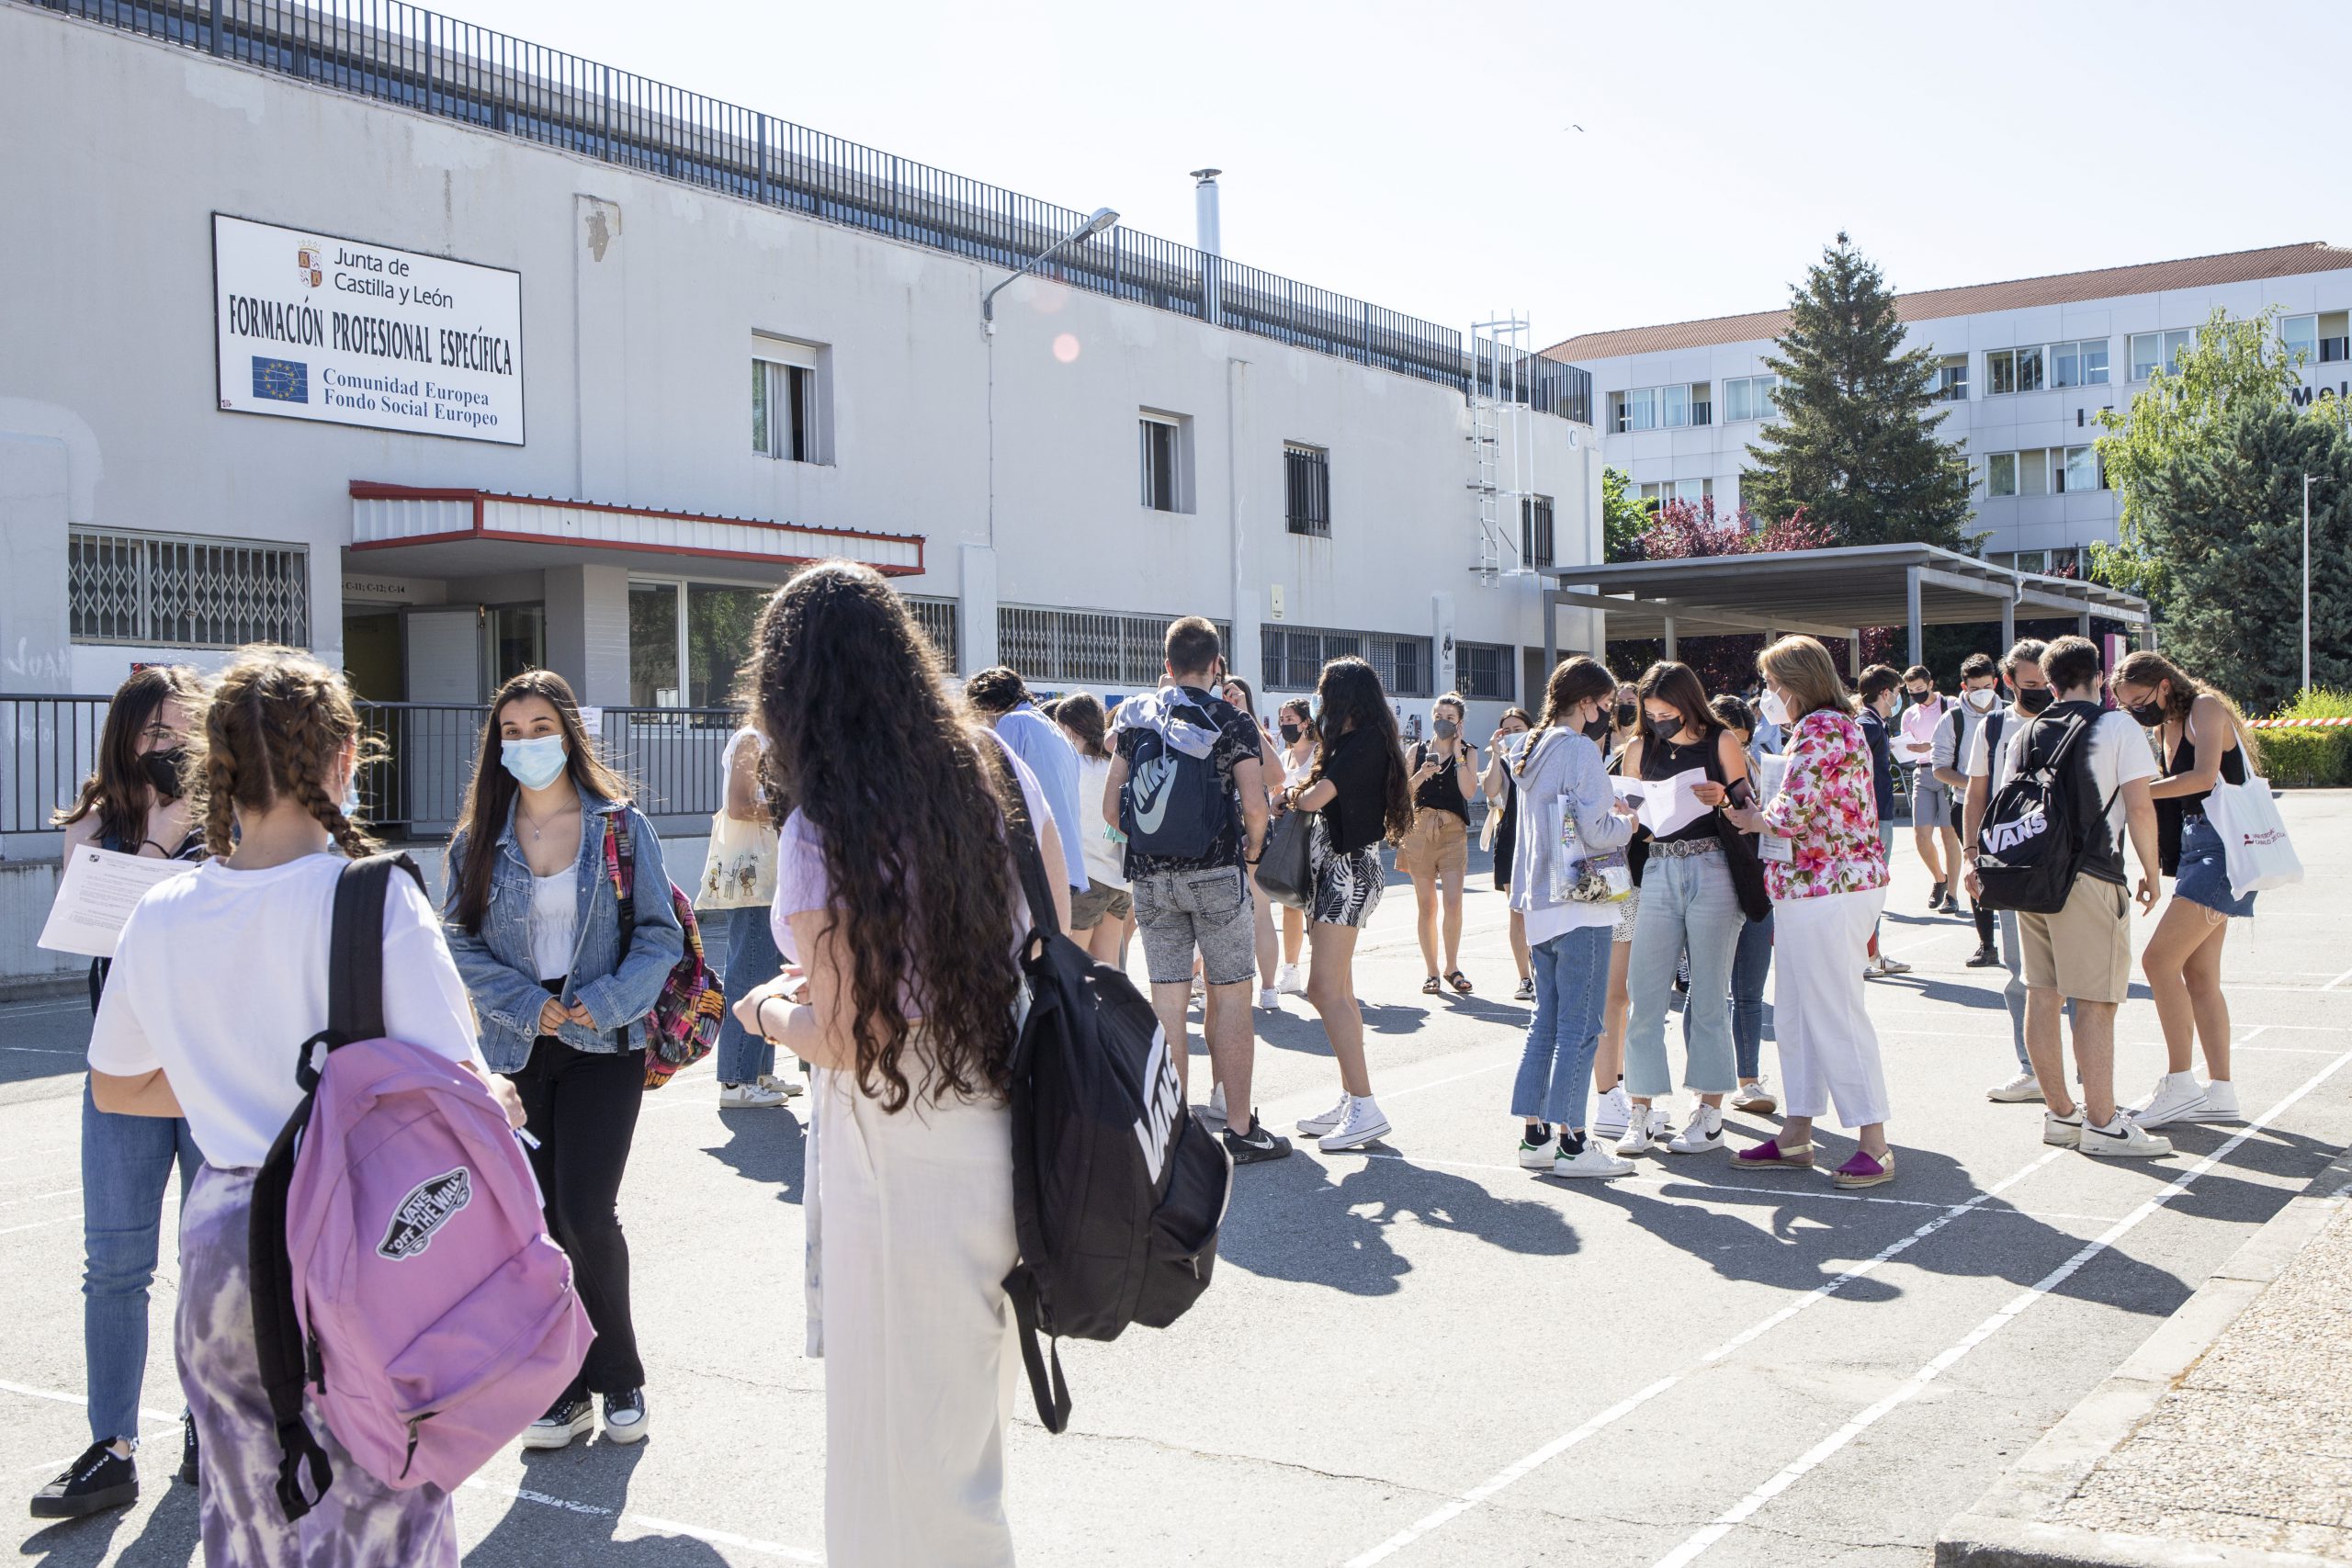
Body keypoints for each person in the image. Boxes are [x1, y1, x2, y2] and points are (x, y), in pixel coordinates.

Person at [85, 646, 523, 1564]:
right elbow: (456, 1090)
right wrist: (500, 1099)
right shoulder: (373, 901)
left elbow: (115, 1084)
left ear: (217, 766)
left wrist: (222, 1083)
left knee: (247, 1512)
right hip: (356, 1237)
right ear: (344, 757)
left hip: (224, 1247)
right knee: (384, 1511)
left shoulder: (158, 913)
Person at [725, 563, 1069, 1568]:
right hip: (1007, 1125)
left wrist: (768, 1007)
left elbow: (847, 1035)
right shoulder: (997, 774)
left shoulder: (825, 827)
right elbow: (1054, 938)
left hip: (894, 1150)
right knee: (961, 1447)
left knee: (893, 1469)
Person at [444, 669, 684, 1450]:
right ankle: (565, 1385)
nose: (526, 744)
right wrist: (522, 1001)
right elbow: (459, 941)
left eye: (540, 727)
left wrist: (610, 1000)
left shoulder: (620, 827)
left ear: (569, 733)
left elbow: (659, 933)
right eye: (511, 733)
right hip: (518, 1046)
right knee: (539, 1223)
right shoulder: (478, 837)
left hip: (602, 1042)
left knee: (585, 1211)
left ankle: (620, 1376)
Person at [34, 666, 207, 1520]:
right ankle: (111, 1446)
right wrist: (159, 842)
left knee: (212, 1262)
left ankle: (207, 1429)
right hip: (125, 1073)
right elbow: (109, 931)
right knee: (116, 1267)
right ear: (123, 737)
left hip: (214, 1072)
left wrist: (190, 832)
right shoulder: (95, 824)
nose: (167, 746)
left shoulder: (236, 818)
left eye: (182, 730)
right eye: (151, 732)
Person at [1964, 635, 2170, 1158]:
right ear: (2099, 678)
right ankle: (2103, 1122)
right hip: (2093, 875)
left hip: (2031, 879)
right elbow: (2140, 807)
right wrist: (2151, 870)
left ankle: (2061, 1115)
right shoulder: (2115, 724)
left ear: (2050, 684)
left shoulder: (2025, 731)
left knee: (2042, 992)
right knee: (2097, 1001)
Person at [1102, 618, 1285, 1163]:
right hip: (1215, 875)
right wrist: (1251, 851)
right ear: (1214, 665)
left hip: (1151, 881)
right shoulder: (1230, 718)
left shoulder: (1136, 719)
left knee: (1168, 1002)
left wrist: (1142, 846)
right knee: (1230, 995)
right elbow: (1256, 805)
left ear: (1166, 666)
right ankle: (1239, 1128)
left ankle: (1175, 1132)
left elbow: (1111, 808)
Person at [1725, 637, 1894, 1187]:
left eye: (1773, 685)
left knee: (1833, 1011)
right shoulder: (1831, 726)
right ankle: (1798, 1132)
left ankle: (1874, 1141)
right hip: (1815, 886)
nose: (1768, 695)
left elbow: (1791, 811)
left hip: (1829, 886)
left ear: (1796, 683)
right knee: (1797, 1013)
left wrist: (1746, 812)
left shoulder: (1822, 728)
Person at [2111, 650, 2261, 1128]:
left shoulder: (2206, 708)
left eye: (2139, 700)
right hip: (2200, 850)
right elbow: (2175, 805)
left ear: (2163, 685)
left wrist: (2135, 789)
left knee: (2158, 961)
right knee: (2200, 978)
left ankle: (2180, 1083)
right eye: (2127, 705)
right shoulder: (2167, 725)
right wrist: (2153, 866)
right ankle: (2222, 1092)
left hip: (2224, 852)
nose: (2136, 711)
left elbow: (2201, 778)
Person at [1616, 661, 1753, 1156]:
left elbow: (1748, 811)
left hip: (1714, 867)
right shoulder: (1637, 748)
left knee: (1710, 994)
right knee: (1644, 994)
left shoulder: (1722, 742)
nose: (1658, 723)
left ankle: (1710, 1113)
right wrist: (1626, 816)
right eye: (1650, 715)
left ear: (1688, 703)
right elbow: (1631, 816)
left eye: (1667, 713)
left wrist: (1721, 799)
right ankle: (1641, 1113)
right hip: (1657, 867)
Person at [1508, 661, 1639, 1178]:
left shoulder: (1530, 748)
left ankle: (1536, 1135)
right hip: (1581, 900)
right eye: (1605, 704)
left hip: (1540, 902)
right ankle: (1574, 1142)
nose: (1608, 713)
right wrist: (1627, 821)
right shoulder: (1581, 749)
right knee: (1582, 1027)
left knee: (1547, 1021)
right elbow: (1595, 826)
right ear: (1586, 702)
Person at [1283, 656, 1415, 1153]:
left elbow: (1316, 799)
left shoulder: (1363, 744)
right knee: (1340, 991)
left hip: (1347, 873)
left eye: (1322, 693)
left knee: (1323, 990)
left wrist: (1288, 797)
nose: (1318, 702)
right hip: (1338, 872)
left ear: (1341, 698)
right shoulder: (1359, 742)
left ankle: (1364, 1104)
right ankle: (1351, 1099)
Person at [1962, 639, 2053, 1102]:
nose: (2039, 690)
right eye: (2030, 683)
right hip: (2011, 864)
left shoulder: (2069, 719)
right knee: (2020, 972)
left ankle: (2076, 1072)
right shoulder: (1994, 727)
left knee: (2072, 977)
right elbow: (1977, 793)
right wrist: (1972, 853)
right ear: (2009, 680)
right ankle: (2031, 1068)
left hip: (2063, 864)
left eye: (2046, 682)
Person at [1687, 694, 1778, 1115]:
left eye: (1743, 742)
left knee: (1750, 992)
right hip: (1709, 886)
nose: (1737, 751)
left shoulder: (1761, 768)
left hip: (1756, 886)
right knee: (1706, 992)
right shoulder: (1691, 773)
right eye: (1731, 741)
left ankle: (1749, 1080)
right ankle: (1702, 1083)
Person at [707, 713, 797, 1109]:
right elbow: (740, 806)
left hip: (770, 874)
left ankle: (758, 1073)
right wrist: (795, 805)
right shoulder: (752, 738)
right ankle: (737, 1081)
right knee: (750, 971)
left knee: (769, 973)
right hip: (754, 875)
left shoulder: (771, 739)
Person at [966, 667, 1091, 895]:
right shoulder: (1053, 729)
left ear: (990, 705)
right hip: (1065, 867)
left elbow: (994, 791)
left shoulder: (1013, 723)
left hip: (1036, 864)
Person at [1398, 693, 1483, 995]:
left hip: (1453, 831)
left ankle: (1452, 967)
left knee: (1453, 902)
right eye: (1440, 715)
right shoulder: (1417, 750)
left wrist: (1458, 753)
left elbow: (1470, 791)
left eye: (1450, 718)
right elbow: (1403, 794)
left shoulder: (1468, 752)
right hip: (1419, 830)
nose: (1443, 722)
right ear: (1432, 715)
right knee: (1427, 906)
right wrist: (1422, 773)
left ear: (1459, 723)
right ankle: (1431, 971)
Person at [1223, 673, 1290, 1012]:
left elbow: (1276, 777)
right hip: (1220, 827)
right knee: (1219, 912)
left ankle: (1267, 988)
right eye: (1225, 694)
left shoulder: (1256, 732)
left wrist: (1245, 718)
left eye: (1236, 694)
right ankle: (1220, 986)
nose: (1230, 698)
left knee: (1260, 911)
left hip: (1254, 826)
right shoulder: (1211, 724)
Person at [1054, 691, 1132, 967]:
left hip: (1086, 878)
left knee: (1073, 970)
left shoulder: (1072, 767)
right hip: (1120, 882)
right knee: (1108, 970)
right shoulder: (1115, 767)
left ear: (1070, 728)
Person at [1928, 654, 2001, 920]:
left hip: (2005, 803)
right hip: (1967, 804)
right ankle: (1986, 942)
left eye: (1986, 687)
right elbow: (1940, 769)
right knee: (1977, 866)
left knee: (2009, 868)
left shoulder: (2009, 714)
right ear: (1964, 688)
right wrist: (1978, 784)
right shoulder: (1952, 720)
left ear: (1996, 682)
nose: (1981, 694)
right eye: (1974, 689)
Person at [1856, 666, 1914, 979]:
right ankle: (1868, 956)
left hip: (1878, 815)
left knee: (1873, 890)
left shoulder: (1875, 724)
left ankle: (1871, 954)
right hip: (1874, 818)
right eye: (1898, 692)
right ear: (1886, 692)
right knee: (1872, 890)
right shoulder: (1868, 725)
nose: (1900, 698)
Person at [1481, 706, 1538, 1000]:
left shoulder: (1541, 757)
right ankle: (1525, 978)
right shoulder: (1502, 762)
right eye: (1507, 731)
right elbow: (1491, 790)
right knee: (1516, 913)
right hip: (1510, 840)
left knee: (1540, 911)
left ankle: (1543, 969)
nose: (1514, 735)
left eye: (1519, 729)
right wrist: (1493, 752)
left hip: (1539, 839)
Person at [1895, 665, 1951, 905]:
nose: (1916, 693)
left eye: (1919, 688)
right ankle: (1940, 878)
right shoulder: (1909, 714)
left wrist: (1931, 745)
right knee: (1921, 835)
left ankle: (1954, 893)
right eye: (1911, 690)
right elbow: (1907, 746)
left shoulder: (1950, 705)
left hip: (1947, 772)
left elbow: (1958, 737)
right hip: (1922, 773)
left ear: (1930, 684)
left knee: (1950, 834)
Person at [1272, 697, 1317, 996]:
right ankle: (1291, 970)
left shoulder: (1320, 753)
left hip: (1315, 832)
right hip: (1286, 832)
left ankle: (1326, 968)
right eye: (1282, 719)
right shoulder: (1282, 757)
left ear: (1305, 722)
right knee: (1291, 903)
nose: (1285, 724)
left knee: (1316, 908)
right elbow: (1275, 793)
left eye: (1290, 719)